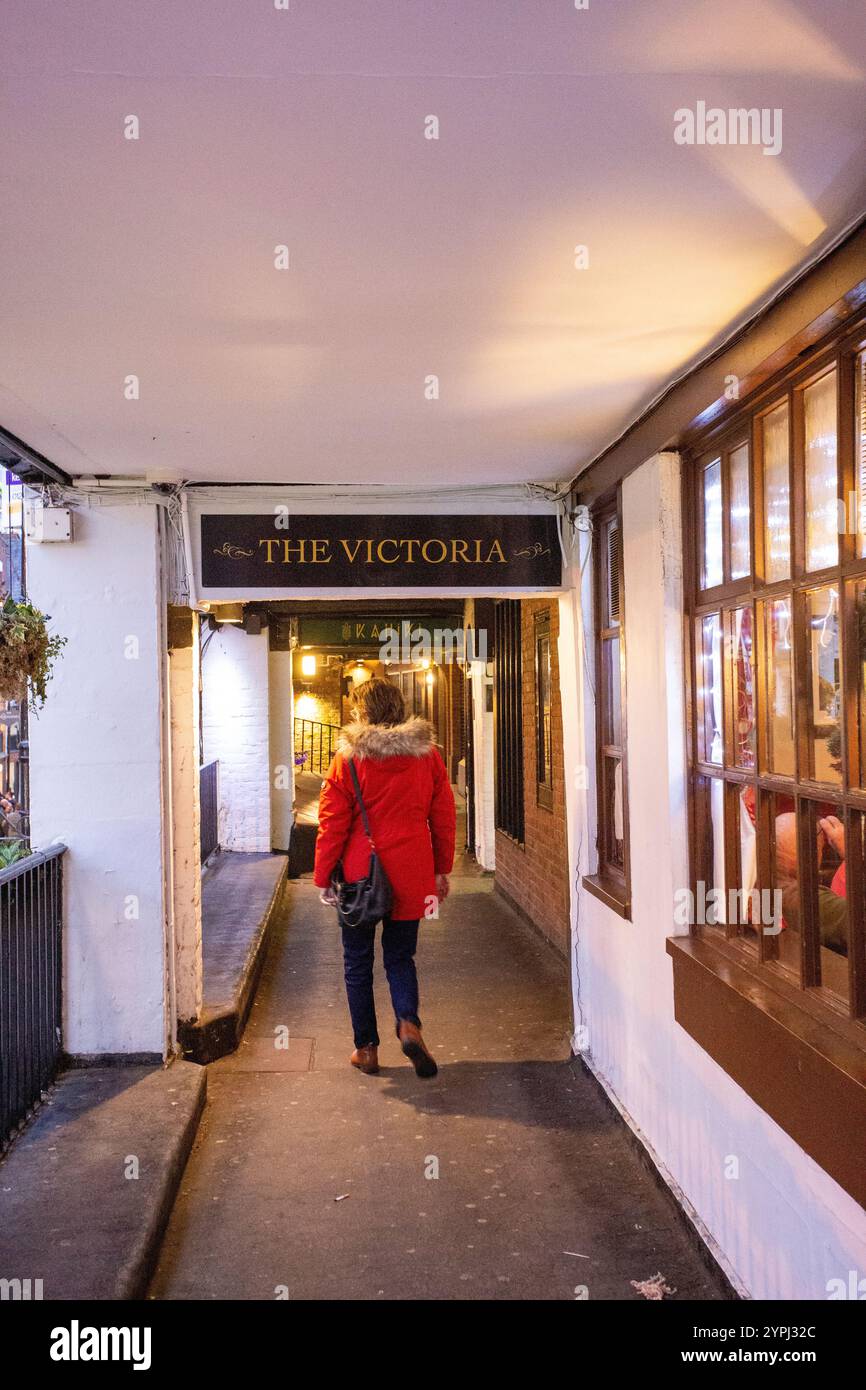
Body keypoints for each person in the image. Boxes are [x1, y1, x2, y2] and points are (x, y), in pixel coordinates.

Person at [313, 677, 456, 1078]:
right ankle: (409, 1025)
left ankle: (367, 1049)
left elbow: (332, 824)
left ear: (360, 711)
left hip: (362, 877)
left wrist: (323, 875)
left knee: (357, 963)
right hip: (412, 874)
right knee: (400, 957)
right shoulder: (427, 756)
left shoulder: (347, 759)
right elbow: (442, 817)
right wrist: (441, 869)